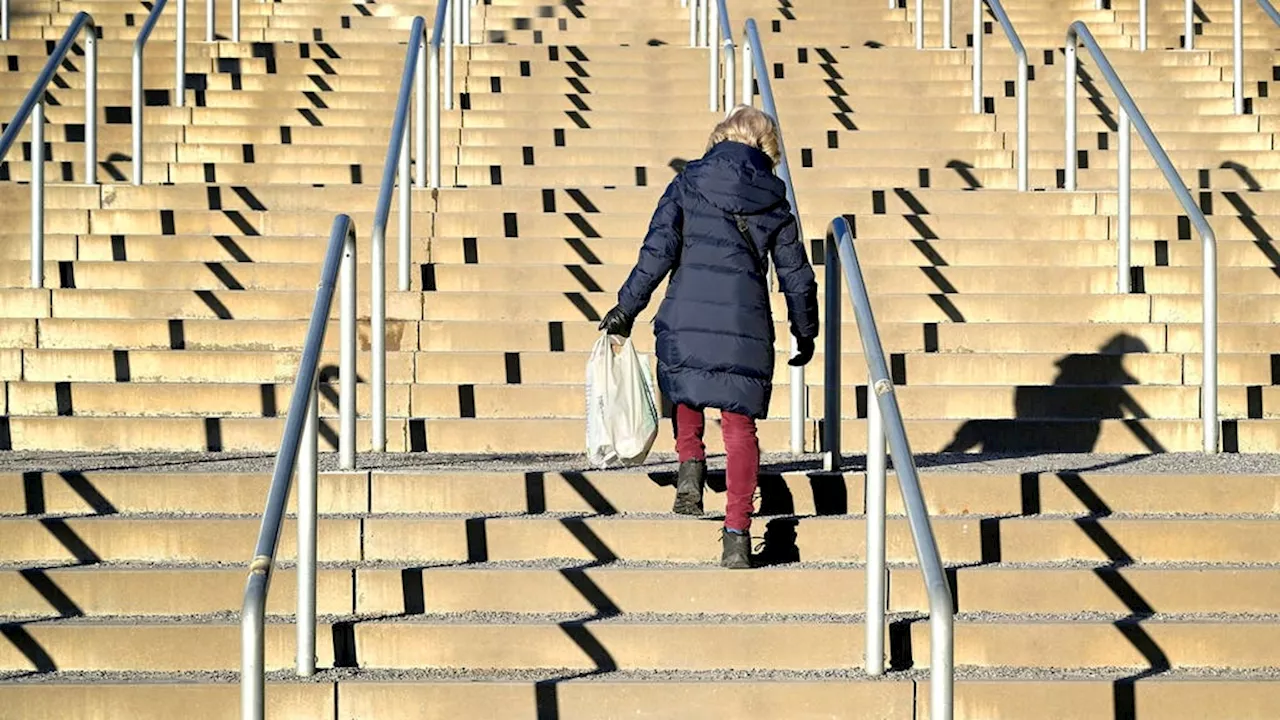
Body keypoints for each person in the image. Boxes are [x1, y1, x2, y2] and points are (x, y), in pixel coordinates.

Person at [597, 105, 819, 569]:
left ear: (721, 137)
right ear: (767, 148)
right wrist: (806, 330)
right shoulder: (775, 201)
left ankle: (690, 472)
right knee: (739, 427)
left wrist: (626, 308)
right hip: (745, 323)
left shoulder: (685, 183)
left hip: (686, 311)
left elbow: (656, 253)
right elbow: (795, 275)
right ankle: (737, 532)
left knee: (687, 385)